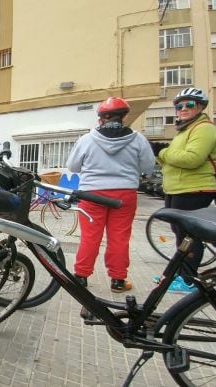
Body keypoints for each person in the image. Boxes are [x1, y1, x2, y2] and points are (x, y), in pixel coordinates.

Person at [66, 97, 155, 293]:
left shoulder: (87, 139)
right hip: (124, 195)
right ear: (124, 118)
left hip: (91, 194)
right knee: (119, 238)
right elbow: (148, 167)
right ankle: (118, 280)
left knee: (90, 237)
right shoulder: (138, 139)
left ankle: (81, 277)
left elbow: (72, 166)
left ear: (100, 119)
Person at [150, 87, 216, 293]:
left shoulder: (204, 129)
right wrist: (165, 154)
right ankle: (179, 274)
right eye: (179, 106)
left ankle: (188, 280)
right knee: (181, 235)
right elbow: (174, 159)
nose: (183, 109)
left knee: (189, 236)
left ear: (200, 107)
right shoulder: (186, 129)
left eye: (189, 105)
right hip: (178, 189)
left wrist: (162, 151)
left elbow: (192, 159)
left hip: (193, 190)